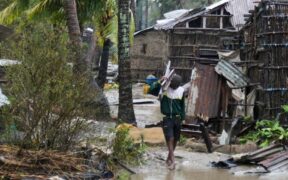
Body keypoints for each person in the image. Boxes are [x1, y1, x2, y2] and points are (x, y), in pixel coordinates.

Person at [147, 74, 185, 170]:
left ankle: (168, 158)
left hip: (177, 118)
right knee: (170, 138)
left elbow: (182, 105)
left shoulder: (181, 91)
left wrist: (182, 118)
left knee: (175, 139)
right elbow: (150, 90)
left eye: (176, 85)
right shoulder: (164, 89)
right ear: (170, 83)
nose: (174, 87)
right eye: (173, 85)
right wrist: (160, 81)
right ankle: (173, 160)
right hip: (167, 118)